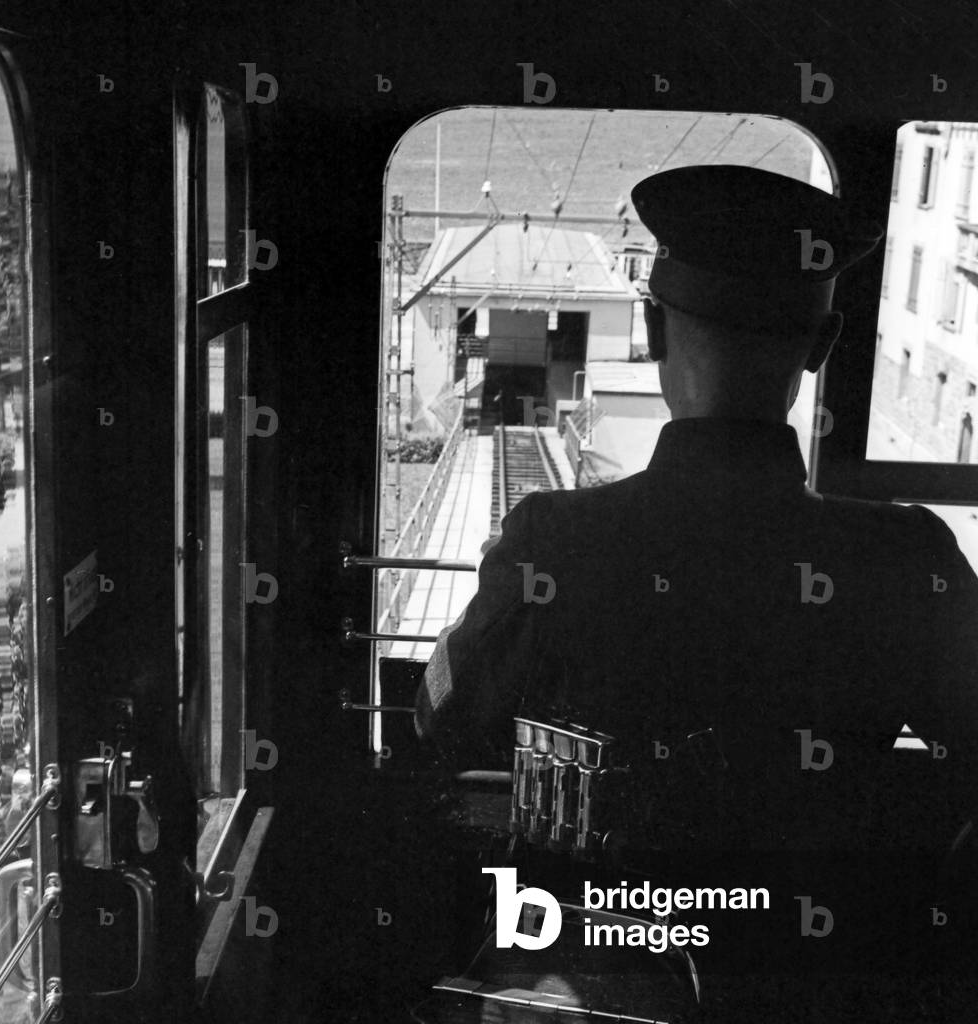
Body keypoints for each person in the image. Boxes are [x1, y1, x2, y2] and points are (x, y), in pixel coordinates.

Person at [414, 165, 978, 1018]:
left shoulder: (556, 540)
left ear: (650, 327)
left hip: (591, 975)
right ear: (823, 346)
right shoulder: (909, 559)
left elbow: (436, 717)